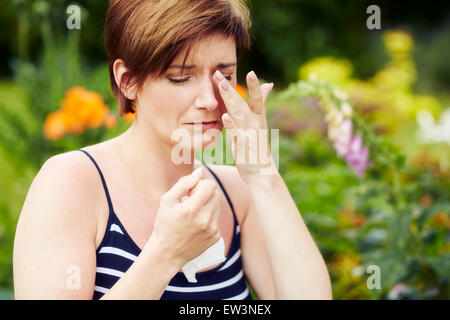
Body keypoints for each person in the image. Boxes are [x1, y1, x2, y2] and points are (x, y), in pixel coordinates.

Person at [13, 0, 332, 300]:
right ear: (128, 81)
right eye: (180, 77)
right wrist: (166, 253)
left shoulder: (236, 193)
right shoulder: (71, 184)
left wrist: (264, 175)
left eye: (224, 75)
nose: (209, 100)